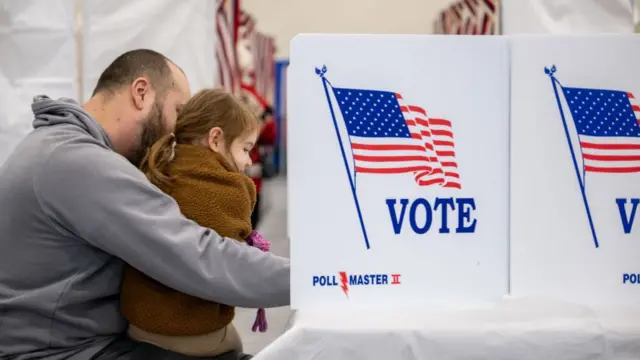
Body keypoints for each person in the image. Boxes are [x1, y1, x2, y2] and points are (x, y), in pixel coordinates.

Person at [0, 49, 290, 360]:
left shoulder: (54, 145)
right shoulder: (80, 163)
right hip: (64, 352)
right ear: (141, 93)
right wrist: (313, 279)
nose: (178, 132)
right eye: (178, 111)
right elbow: (199, 257)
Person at [119, 88, 270, 357]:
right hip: (189, 333)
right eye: (245, 149)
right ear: (215, 139)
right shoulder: (230, 189)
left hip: (138, 325)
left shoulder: (157, 169)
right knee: (236, 342)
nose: (248, 161)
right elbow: (234, 271)